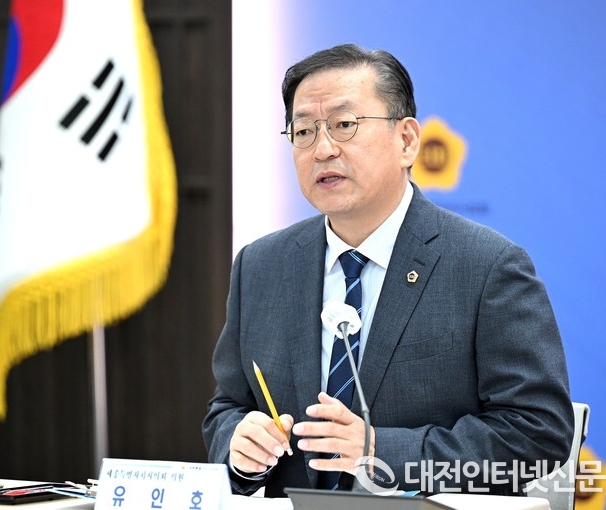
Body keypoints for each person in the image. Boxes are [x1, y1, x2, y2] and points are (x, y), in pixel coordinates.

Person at [202, 43, 573, 498]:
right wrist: (240, 448)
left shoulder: (487, 267)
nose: (322, 149)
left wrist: (382, 451)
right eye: (303, 131)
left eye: (344, 124)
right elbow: (227, 408)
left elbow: (538, 434)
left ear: (407, 141)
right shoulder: (261, 266)